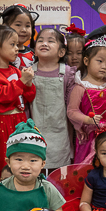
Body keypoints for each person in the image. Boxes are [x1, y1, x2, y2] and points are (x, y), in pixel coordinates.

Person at [0, 25, 36, 190]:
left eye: (17, 45)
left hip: (19, 121)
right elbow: (2, 96)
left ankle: (19, 195)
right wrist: (21, 81)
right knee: (2, 165)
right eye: (12, 45)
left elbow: (29, 96)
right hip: (2, 123)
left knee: (20, 161)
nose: (16, 49)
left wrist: (28, 82)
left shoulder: (15, 69)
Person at [67, 36, 106, 164]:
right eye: (100, 61)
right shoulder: (80, 87)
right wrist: (87, 120)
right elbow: (71, 111)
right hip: (91, 136)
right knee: (89, 165)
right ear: (86, 61)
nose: (104, 67)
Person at [30, 28, 75, 171]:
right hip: (35, 129)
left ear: (61, 52)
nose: (44, 43)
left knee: (60, 174)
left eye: (50, 41)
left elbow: (71, 105)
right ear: (35, 50)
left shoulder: (67, 73)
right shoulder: (29, 72)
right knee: (35, 167)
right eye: (40, 40)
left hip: (60, 132)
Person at [0, 4, 38, 70]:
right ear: (5, 26)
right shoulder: (1, 53)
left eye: (27, 26)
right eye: (18, 25)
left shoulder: (34, 54)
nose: (23, 30)